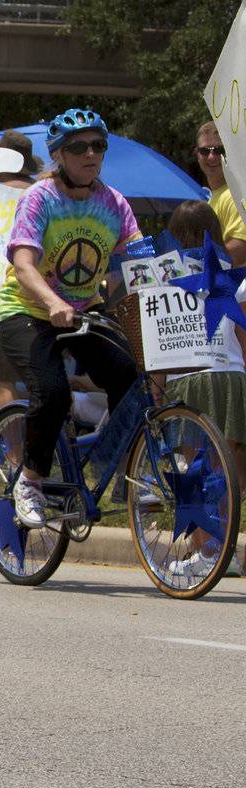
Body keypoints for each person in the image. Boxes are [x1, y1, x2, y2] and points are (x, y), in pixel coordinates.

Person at [0, 107, 141, 527]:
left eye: (98, 145)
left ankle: (111, 467)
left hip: (83, 309)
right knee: (53, 392)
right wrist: (53, 302)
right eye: (78, 147)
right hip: (29, 309)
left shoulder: (114, 203)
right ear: (59, 155)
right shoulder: (39, 198)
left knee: (129, 377)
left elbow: (135, 262)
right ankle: (31, 481)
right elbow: (23, 265)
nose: (90, 153)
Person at [162, 199, 246, 574]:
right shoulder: (233, 274)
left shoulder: (164, 278)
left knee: (192, 469)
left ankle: (209, 553)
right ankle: (223, 549)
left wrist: (156, 387)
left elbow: (160, 340)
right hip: (230, 376)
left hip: (189, 377)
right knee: (224, 471)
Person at [0, 128, 40, 410]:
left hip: (1, 297)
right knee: (43, 380)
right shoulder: (43, 193)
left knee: (2, 381)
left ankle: (15, 454)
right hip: (44, 294)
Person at [195, 120, 246, 266]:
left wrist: (197, 266)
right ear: (197, 154)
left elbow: (240, 250)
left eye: (219, 150)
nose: (212, 157)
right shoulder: (216, 198)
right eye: (205, 151)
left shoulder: (234, 195)